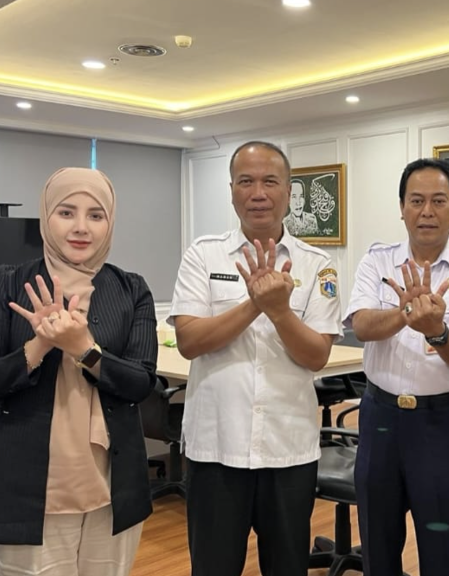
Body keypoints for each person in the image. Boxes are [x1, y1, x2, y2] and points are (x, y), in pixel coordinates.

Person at [0, 167, 158, 576]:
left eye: (96, 215)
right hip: (23, 490)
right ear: (46, 217)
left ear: (110, 223)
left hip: (111, 489)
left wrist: (84, 350)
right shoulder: (9, 283)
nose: (81, 227)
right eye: (66, 212)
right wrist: (39, 345)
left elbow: (139, 383)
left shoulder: (131, 289)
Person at [169, 141, 343, 576]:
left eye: (270, 181)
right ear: (231, 190)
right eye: (246, 181)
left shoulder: (317, 265)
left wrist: (281, 312)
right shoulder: (203, 254)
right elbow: (189, 341)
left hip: (288, 449)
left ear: (288, 191)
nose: (258, 193)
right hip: (215, 446)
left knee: (287, 567)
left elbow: (316, 355)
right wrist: (255, 305)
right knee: (213, 567)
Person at [344, 158, 449, 576]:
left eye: (438, 201)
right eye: (416, 201)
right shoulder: (377, 262)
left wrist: (438, 332)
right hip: (380, 420)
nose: (426, 211)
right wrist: (405, 314)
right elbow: (362, 326)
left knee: (444, 552)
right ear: (401, 207)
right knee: (377, 546)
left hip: (442, 425)